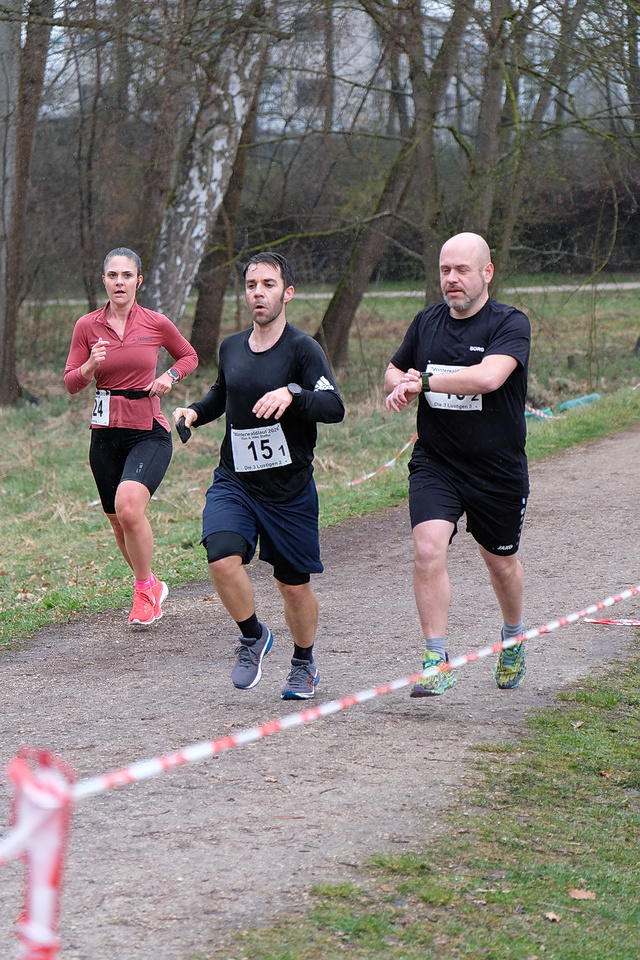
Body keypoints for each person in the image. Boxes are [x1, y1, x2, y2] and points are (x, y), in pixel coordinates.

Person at [173, 252, 344, 700]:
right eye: (251, 285)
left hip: (289, 491)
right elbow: (223, 393)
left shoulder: (303, 350)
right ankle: (253, 636)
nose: (258, 293)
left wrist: (293, 394)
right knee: (220, 556)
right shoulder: (231, 347)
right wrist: (195, 412)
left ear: (287, 293)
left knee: (293, 587)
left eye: (268, 284)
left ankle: (303, 663)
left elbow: (334, 406)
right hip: (237, 481)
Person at [385, 232, 530, 697]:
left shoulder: (510, 323)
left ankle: (513, 637)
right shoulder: (426, 322)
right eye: (445, 270)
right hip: (437, 462)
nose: (452, 279)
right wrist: (400, 383)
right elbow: (394, 369)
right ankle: (436, 658)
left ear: (487, 273)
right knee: (427, 549)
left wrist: (425, 382)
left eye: (462, 270)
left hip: (496, 468)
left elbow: (488, 377)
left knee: (501, 564)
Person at [64, 247, 198, 625]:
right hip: (105, 435)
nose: (119, 282)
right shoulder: (87, 326)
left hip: (148, 432)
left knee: (128, 508)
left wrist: (170, 376)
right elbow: (71, 382)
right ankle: (151, 583)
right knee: (117, 520)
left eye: (126, 276)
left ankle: (141, 592)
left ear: (138, 281)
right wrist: (90, 366)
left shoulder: (156, 322)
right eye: (112, 275)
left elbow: (188, 356)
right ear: (104, 280)